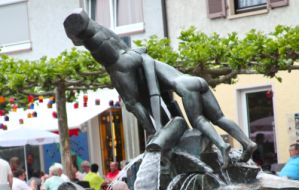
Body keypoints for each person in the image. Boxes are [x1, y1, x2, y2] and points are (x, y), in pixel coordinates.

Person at [64, 10, 257, 169]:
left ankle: (222, 146)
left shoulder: (110, 58)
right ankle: (247, 143)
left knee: (197, 120)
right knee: (219, 117)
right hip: (195, 81)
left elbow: (135, 103)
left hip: (166, 80)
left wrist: (153, 131)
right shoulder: (108, 35)